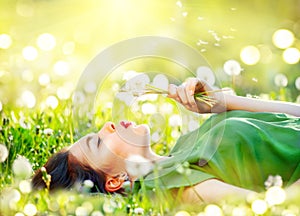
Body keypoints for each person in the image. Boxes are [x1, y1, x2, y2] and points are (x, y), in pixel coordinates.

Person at [31, 78, 300, 203]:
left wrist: (221, 103)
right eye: (98, 142)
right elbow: (277, 208)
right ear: (113, 181)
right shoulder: (170, 186)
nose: (107, 125)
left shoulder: (184, 147)